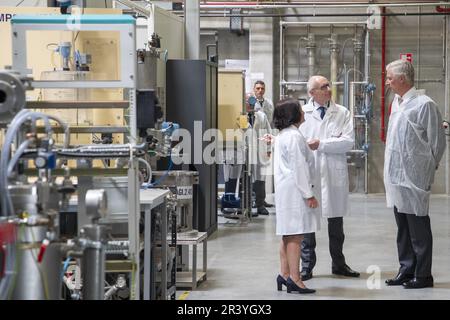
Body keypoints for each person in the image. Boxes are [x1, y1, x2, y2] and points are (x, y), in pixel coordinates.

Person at [384, 59, 446, 289]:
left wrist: (426, 169)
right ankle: (406, 268)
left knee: (418, 227)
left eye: (390, 78)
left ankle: (423, 275)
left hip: (415, 177)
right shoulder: (396, 103)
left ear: (402, 79)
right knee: (403, 227)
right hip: (396, 176)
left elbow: (437, 143)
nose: (387, 82)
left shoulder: (424, 104)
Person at [299, 75, 360, 281]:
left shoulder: (341, 112)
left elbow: (348, 142)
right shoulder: (303, 114)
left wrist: (321, 144)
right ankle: (306, 266)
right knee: (308, 225)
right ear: (312, 93)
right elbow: (299, 142)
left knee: (336, 226)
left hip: (333, 174)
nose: (328, 89)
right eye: (323, 87)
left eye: (329, 86)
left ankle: (339, 264)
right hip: (312, 173)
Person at [273, 99, 318, 294]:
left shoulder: (285, 135)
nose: (303, 111)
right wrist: (309, 194)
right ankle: (295, 279)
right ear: (294, 114)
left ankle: (284, 275)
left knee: (287, 234)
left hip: (286, 190)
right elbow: (299, 167)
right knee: (296, 236)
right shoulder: (293, 137)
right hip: (295, 192)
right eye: (300, 109)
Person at [222, 91, 272, 217]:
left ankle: (253, 205)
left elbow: (268, 131)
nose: (251, 103)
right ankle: (231, 206)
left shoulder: (261, 116)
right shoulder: (237, 115)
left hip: (255, 152)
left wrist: (268, 148)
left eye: (253, 100)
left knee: (253, 179)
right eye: (248, 100)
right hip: (236, 152)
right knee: (233, 178)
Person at [251, 80, 275, 214]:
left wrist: (268, 146)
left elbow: (268, 122)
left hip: (263, 139)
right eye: (258, 88)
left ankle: (261, 201)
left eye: (262, 89)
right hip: (251, 142)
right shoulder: (250, 104)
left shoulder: (268, 104)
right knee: (254, 174)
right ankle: (256, 202)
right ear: (254, 90)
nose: (260, 90)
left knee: (262, 173)